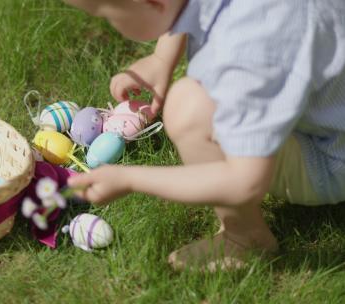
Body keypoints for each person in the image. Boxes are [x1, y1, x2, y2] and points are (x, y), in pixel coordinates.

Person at [64, 0, 345, 271]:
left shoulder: (247, 52)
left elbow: (245, 181)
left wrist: (130, 179)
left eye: (109, 17)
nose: (113, 25)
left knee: (188, 108)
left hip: (331, 160)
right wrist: (162, 58)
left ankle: (245, 239)